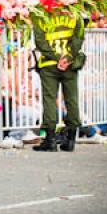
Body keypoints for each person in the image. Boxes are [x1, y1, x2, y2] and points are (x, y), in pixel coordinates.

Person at [32, 10, 86, 152]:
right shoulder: (76, 14)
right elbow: (78, 39)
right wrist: (67, 58)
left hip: (49, 64)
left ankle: (49, 140)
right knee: (72, 100)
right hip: (70, 64)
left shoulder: (40, 14)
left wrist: (56, 59)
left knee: (49, 99)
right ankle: (70, 140)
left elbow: (40, 41)